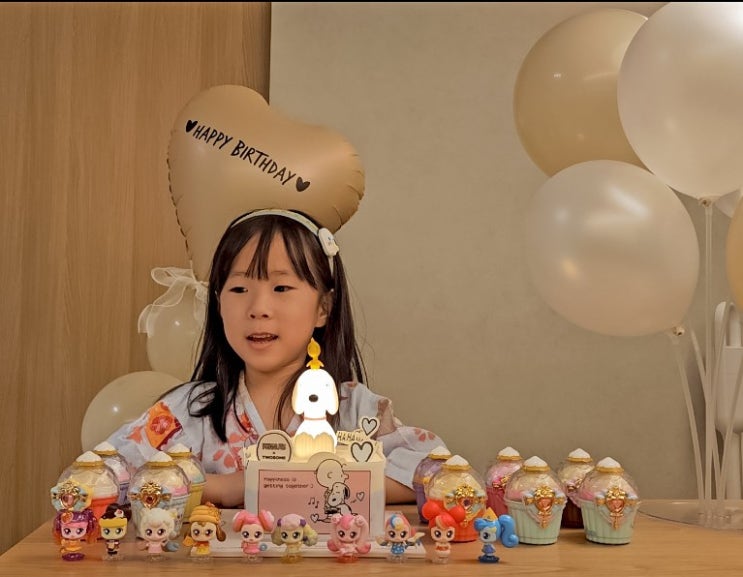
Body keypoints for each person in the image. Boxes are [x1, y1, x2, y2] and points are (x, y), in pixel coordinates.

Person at [106, 209, 447, 507]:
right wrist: (223, 488)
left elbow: (440, 475)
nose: (259, 309)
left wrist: (274, 486)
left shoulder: (355, 410)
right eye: (239, 289)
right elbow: (104, 477)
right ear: (219, 304)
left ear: (323, 307)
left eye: (281, 288)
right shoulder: (188, 410)